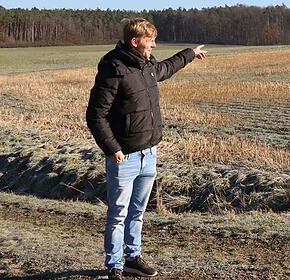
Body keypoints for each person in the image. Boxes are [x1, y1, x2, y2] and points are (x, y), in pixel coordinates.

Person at [86, 17, 206, 279]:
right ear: (135, 41)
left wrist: (190, 54)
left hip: (149, 152)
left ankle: (133, 258)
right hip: (123, 156)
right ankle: (114, 266)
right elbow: (96, 115)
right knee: (118, 214)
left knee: (137, 212)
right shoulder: (114, 68)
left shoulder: (147, 65)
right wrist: (112, 148)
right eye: (150, 40)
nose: (154, 44)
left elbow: (166, 68)